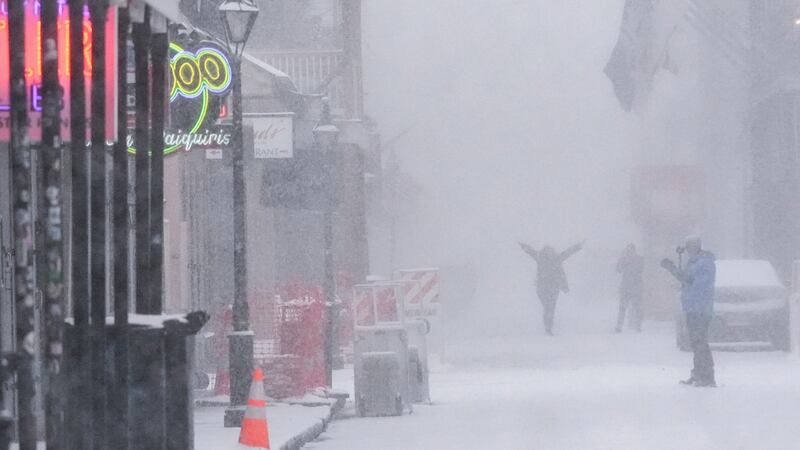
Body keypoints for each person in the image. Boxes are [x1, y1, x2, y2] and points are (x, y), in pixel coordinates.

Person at [660, 236, 716, 387]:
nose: (687, 250)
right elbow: (686, 279)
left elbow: (695, 282)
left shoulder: (705, 263)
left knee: (701, 342)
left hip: (701, 309)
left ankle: (707, 376)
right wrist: (673, 269)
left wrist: (677, 272)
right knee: (696, 342)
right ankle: (698, 373)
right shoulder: (694, 262)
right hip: (692, 307)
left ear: (696, 246)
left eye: (690, 247)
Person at [519, 240, 584, 335]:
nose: (548, 254)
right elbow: (568, 252)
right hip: (550, 288)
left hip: (546, 288)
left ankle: (548, 327)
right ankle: (548, 327)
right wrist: (578, 246)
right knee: (550, 308)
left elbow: (530, 251)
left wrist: (523, 245)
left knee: (548, 308)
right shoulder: (554, 258)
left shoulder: (542, 258)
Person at [615, 243, 644, 333]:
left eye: (631, 250)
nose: (629, 252)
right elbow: (618, 269)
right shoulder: (624, 259)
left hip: (635, 287)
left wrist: (627, 262)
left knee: (636, 308)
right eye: (628, 250)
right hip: (626, 287)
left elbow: (641, 269)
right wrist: (622, 260)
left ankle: (638, 326)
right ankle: (619, 326)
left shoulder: (639, 259)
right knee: (622, 308)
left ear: (634, 251)